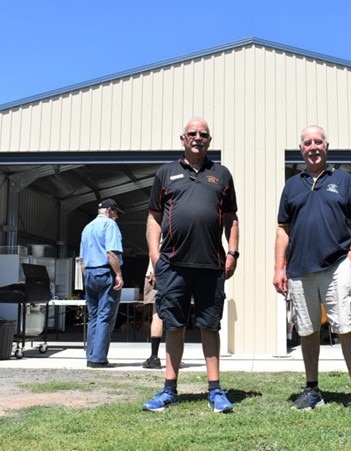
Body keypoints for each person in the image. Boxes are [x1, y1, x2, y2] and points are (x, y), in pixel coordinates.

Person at [273, 125, 351, 415]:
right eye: (308, 143)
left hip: (337, 265)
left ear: (326, 147)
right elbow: (283, 230)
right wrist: (279, 267)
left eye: (318, 142)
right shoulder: (292, 186)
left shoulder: (343, 181)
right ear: (301, 149)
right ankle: (312, 389)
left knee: (347, 327)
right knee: (307, 330)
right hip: (299, 269)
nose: (313, 147)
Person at [143, 117, 239, 413]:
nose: (198, 138)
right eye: (192, 134)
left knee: (210, 326)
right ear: (182, 139)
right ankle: (169, 389)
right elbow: (153, 218)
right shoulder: (166, 173)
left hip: (212, 265)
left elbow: (231, 218)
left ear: (209, 140)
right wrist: (155, 259)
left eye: (203, 134)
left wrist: (233, 252)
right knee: (174, 325)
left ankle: (215, 390)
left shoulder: (221, 175)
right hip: (172, 264)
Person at [80, 198, 125, 368]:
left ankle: (90, 356)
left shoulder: (87, 227)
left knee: (93, 316)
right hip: (106, 271)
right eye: (116, 212)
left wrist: (86, 277)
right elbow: (111, 253)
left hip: (89, 273)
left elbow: (82, 260)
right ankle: (99, 358)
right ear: (108, 211)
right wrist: (118, 275)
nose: (117, 217)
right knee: (105, 315)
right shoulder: (110, 225)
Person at [142, 261, 163, 369]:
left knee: (157, 315)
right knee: (174, 315)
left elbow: (158, 248)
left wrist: (155, 270)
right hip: (177, 274)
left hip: (159, 272)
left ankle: (154, 357)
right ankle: (175, 357)